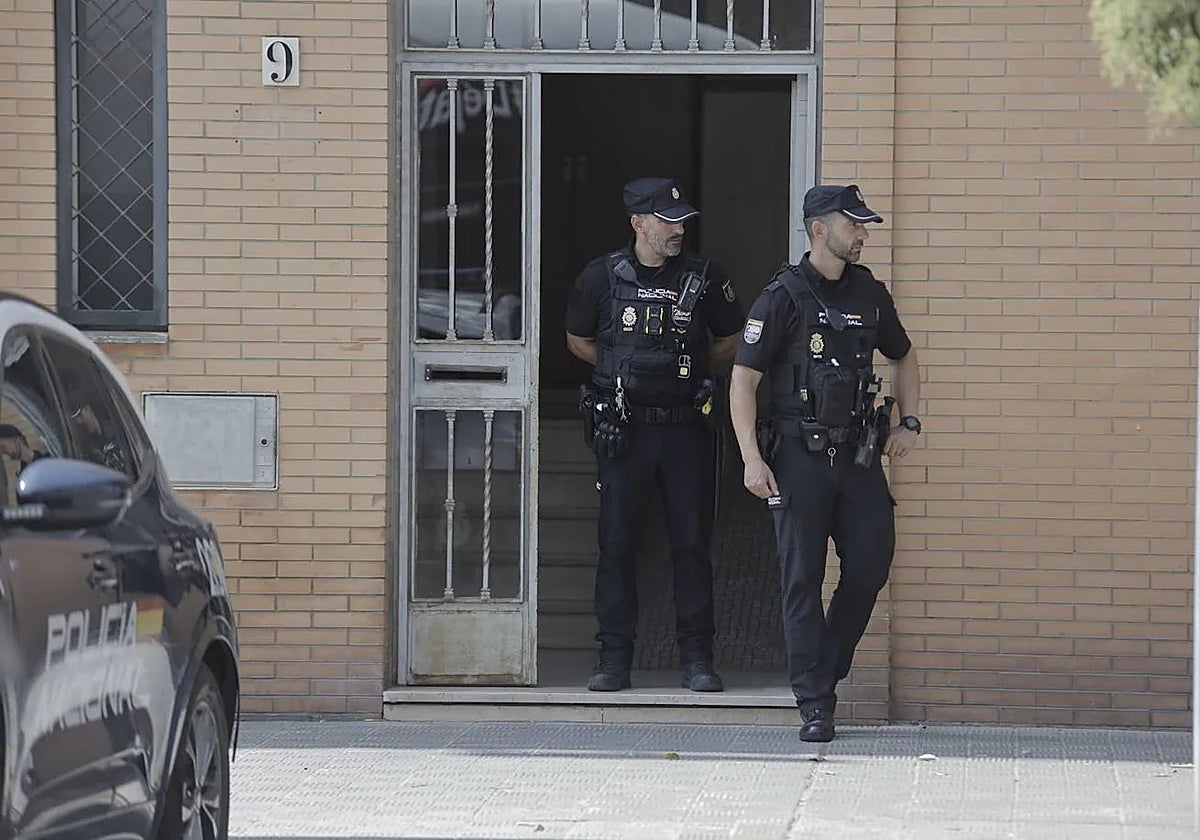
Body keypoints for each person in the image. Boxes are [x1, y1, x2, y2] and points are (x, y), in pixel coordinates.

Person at [729, 184, 921, 742]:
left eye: (863, 226)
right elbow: (743, 379)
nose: (862, 234)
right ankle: (815, 701)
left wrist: (908, 422)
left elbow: (904, 356)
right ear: (819, 228)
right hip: (798, 459)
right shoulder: (781, 297)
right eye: (854, 224)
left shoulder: (870, 294)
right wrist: (750, 458)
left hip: (859, 457)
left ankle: (826, 666)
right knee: (801, 579)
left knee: (870, 563)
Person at [565, 177, 744, 693]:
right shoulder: (599, 277)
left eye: (683, 220)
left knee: (692, 545)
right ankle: (614, 660)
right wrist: (627, 371)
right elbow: (576, 339)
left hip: (685, 430)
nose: (678, 229)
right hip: (625, 432)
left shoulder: (706, 277)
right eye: (668, 221)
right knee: (617, 545)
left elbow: (731, 339)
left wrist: (678, 370)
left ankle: (697, 659)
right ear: (638, 223)